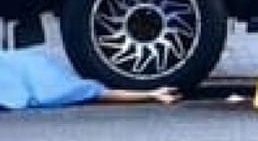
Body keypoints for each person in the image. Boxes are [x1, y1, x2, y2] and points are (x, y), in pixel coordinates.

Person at [0, 48, 179, 109]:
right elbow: (98, 94)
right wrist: (150, 94)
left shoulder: (53, 86)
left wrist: (150, 94)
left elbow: (97, 94)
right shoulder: (49, 82)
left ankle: (151, 93)